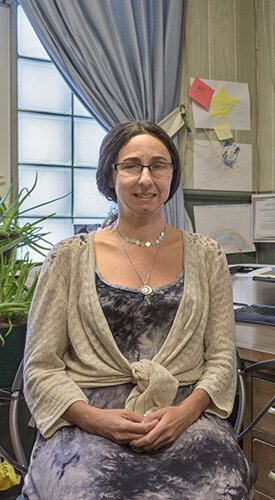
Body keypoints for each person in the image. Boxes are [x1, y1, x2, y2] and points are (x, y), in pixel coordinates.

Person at [22, 121, 251, 499]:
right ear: (110, 176)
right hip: (87, 420)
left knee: (220, 487)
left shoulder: (208, 255)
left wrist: (186, 413)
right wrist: (94, 419)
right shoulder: (68, 258)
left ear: (171, 176)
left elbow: (223, 357)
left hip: (184, 417)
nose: (146, 179)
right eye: (131, 166)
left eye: (158, 166)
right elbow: (41, 365)